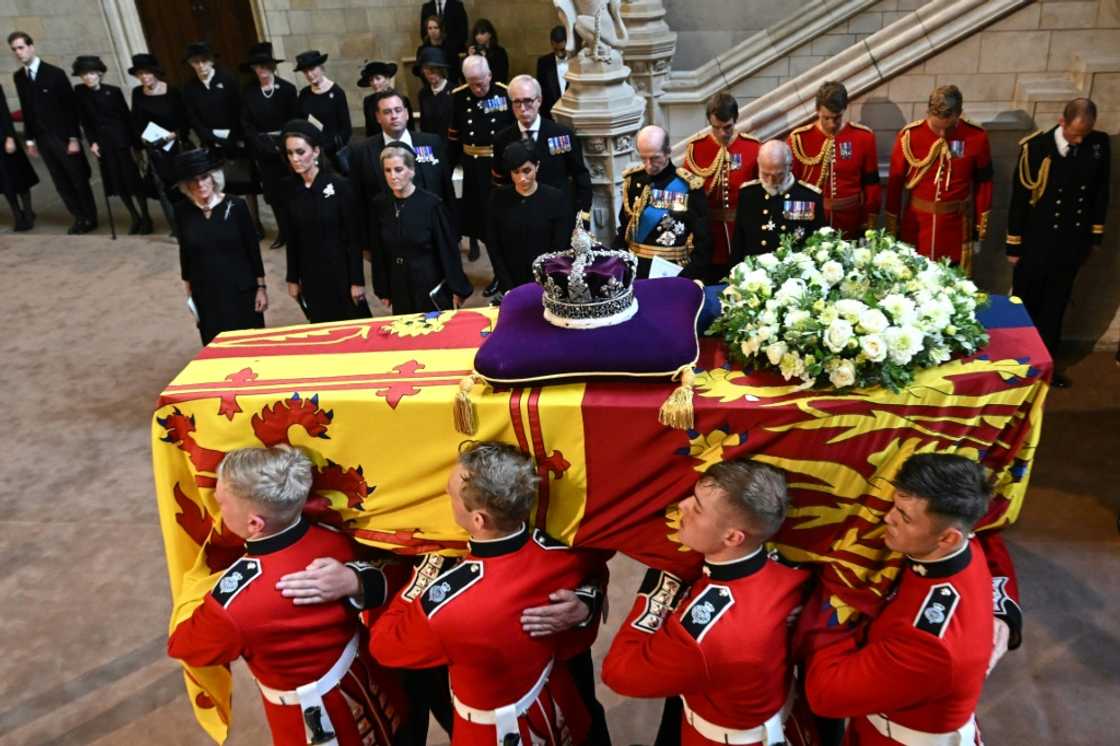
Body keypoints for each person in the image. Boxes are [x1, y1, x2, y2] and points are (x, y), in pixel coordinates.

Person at [167, 445, 405, 746]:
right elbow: (395, 572)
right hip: (378, 690)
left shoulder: (235, 604)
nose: (217, 506)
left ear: (255, 524)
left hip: (311, 724)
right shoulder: (336, 537)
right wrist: (357, 581)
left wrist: (199, 583)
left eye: (222, 503)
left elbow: (185, 645)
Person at [371, 441, 606, 746]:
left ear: (479, 520)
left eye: (452, 494)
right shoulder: (562, 557)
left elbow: (384, 646)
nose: (446, 495)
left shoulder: (447, 606)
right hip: (554, 709)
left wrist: (423, 574)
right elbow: (594, 569)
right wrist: (586, 603)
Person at [603, 459, 809, 745]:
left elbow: (619, 673)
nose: (683, 505)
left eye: (697, 508)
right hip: (785, 721)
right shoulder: (792, 571)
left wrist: (666, 575)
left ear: (733, 537)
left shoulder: (703, 634)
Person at [804, 453, 996, 745]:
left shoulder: (929, 645)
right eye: (894, 506)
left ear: (948, 539)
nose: (887, 518)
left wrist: (836, 599)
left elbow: (824, 695)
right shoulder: (962, 551)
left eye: (905, 517)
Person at [1005, 97, 1110, 389]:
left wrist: (1095, 237)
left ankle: (1046, 367)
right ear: (1062, 121)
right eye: (1076, 133)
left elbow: (1100, 193)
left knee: (1056, 306)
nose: (1080, 140)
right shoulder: (1036, 148)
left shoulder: (1098, 145)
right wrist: (1014, 245)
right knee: (1026, 304)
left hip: (1071, 244)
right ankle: (1017, 364)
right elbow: (1019, 201)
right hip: (1036, 243)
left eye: (1085, 133)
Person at [885, 84, 992, 274]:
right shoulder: (909, 136)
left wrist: (978, 230)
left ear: (959, 114)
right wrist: (893, 228)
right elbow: (895, 186)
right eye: (937, 127)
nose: (942, 135)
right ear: (928, 113)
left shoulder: (977, 136)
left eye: (948, 128)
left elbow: (984, 184)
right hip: (916, 227)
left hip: (955, 230)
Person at [173, 148, 266, 345]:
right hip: (206, 294)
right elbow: (185, 254)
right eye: (193, 180)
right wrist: (190, 296)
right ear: (186, 185)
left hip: (241, 291)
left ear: (213, 178)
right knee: (217, 349)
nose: (200, 185)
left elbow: (252, 250)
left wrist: (261, 288)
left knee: (252, 346)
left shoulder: (236, 206)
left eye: (204, 177)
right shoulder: (182, 212)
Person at [281, 118, 370, 324]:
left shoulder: (340, 186)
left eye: (300, 152)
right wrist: (292, 278)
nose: (295, 159)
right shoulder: (288, 190)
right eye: (290, 153)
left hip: (341, 272)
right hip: (310, 273)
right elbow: (292, 238)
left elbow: (353, 239)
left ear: (315, 151)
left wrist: (357, 281)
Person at [9, 31, 98, 234]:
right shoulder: (19, 77)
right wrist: (29, 140)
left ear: (31, 47)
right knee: (60, 181)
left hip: (63, 136)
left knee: (77, 178)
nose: (18, 52)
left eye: (21, 47)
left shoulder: (54, 73)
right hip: (42, 138)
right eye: (14, 50)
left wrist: (74, 138)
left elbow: (70, 108)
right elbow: (26, 108)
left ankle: (90, 218)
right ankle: (78, 217)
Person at [369, 145, 472, 314]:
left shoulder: (432, 205)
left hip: (428, 283)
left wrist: (457, 288)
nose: (393, 176)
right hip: (399, 285)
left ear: (411, 171)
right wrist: (383, 288)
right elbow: (379, 250)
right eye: (388, 170)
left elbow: (448, 250)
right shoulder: (380, 205)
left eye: (398, 169)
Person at [492, 74, 591, 227]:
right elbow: (501, 183)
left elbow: (580, 176)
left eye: (528, 101)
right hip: (520, 217)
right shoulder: (502, 139)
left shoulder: (561, 134)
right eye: (517, 102)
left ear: (539, 100)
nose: (523, 108)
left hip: (557, 215)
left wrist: (582, 216)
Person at [181, 41, 261, 229]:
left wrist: (235, 137)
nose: (201, 66)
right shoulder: (189, 88)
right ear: (191, 64)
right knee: (219, 185)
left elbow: (240, 110)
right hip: (210, 144)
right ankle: (231, 222)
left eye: (204, 61)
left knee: (246, 184)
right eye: (195, 62)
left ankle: (254, 223)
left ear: (211, 61)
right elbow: (193, 118)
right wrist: (210, 137)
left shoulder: (228, 79)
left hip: (235, 141)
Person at [683, 92, 761, 284]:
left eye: (727, 127)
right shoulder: (696, 149)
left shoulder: (752, 148)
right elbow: (687, 193)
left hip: (741, 232)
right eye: (716, 127)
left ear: (736, 119)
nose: (722, 134)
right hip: (709, 234)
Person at [616, 125, 711, 280]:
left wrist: (686, 278)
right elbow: (624, 229)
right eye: (643, 158)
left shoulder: (688, 185)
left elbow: (703, 241)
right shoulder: (633, 181)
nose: (648, 165)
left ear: (668, 152)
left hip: (672, 271)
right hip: (636, 269)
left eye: (655, 158)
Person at [788, 81, 880, 239]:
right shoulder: (799, 139)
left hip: (850, 218)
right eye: (826, 118)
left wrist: (868, 221)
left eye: (837, 118)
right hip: (810, 218)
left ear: (845, 109)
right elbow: (791, 187)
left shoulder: (863, 137)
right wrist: (795, 224)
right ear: (817, 110)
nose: (831, 124)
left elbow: (871, 184)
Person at [72, 55, 153, 235]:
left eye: (91, 73)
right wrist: (92, 142)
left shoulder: (113, 91)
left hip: (122, 143)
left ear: (99, 74)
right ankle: (135, 217)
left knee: (132, 181)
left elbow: (127, 118)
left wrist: (137, 147)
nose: (88, 77)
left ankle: (146, 217)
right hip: (103, 145)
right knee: (117, 183)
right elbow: (85, 121)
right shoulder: (80, 92)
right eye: (84, 74)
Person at [352, 89, 455, 226]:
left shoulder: (431, 142)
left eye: (398, 110)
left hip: (432, 225)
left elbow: (446, 190)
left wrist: (453, 229)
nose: (394, 116)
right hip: (387, 229)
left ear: (406, 113)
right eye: (387, 112)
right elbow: (359, 201)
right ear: (378, 117)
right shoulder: (362, 151)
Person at [448, 55, 514, 261]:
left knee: (501, 214)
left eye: (481, 83)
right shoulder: (459, 96)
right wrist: (450, 166)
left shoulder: (504, 93)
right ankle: (480, 247)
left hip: (499, 163)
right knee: (478, 215)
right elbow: (454, 135)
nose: (477, 88)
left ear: (490, 76)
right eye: (472, 84)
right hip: (473, 165)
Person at [487, 142, 573, 295]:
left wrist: (548, 283)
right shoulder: (498, 198)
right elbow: (494, 245)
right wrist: (506, 285)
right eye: (516, 172)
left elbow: (560, 247)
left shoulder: (555, 198)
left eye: (527, 171)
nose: (522, 178)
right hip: (512, 281)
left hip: (549, 282)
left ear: (537, 166)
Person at [240, 42, 300, 250]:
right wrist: (262, 145)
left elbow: (294, 120)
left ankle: (298, 231)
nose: (262, 70)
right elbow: (246, 124)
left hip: (287, 149)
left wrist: (283, 144)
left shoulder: (287, 89)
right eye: (257, 66)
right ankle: (283, 232)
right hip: (263, 150)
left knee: (292, 191)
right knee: (273, 195)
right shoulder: (248, 92)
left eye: (265, 65)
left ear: (272, 66)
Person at [730, 140, 824, 264]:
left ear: (790, 165)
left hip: (793, 269)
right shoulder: (748, 194)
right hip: (755, 270)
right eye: (765, 174)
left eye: (778, 175)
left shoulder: (808, 196)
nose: (771, 181)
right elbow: (739, 241)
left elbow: (818, 243)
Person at [129, 53, 191, 235]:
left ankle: (190, 220)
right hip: (153, 147)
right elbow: (136, 120)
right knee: (162, 187)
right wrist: (141, 139)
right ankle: (176, 225)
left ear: (155, 72)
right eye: (140, 74)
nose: (144, 77)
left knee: (182, 184)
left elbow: (185, 120)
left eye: (147, 73)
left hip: (174, 144)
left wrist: (173, 135)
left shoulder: (172, 91)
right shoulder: (137, 93)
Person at [295, 50, 352, 174]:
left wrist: (327, 148)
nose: (309, 74)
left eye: (312, 69)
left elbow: (346, 129)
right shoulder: (304, 94)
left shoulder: (337, 92)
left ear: (321, 67)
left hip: (333, 155)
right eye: (305, 72)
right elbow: (300, 123)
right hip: (311, 155)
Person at [0, 82, 38, 231]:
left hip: (4, 139)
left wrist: (10, 137)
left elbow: (3, 112)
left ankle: (28, 213)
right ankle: (17, 215)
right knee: (4, 182)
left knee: (20, 177)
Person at [359, 61, 414, 138]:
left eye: (378, 78)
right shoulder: (368, 101)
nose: (374, 83)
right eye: (371, 80)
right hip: (377, 141)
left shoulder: (402, 99)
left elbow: (410, 127)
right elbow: (369, 129)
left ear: (387, 79)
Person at [416, 47, 454, 141]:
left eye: (433, 70)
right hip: (432, 142)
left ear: (441, 70)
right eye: (427, 70)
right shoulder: (423, 93)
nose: (430, 74)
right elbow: (424, 124)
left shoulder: (454, 91)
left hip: (452, 143)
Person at [420, 0, 469, 67]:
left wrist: (451, 48)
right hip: (432, 55)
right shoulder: (426, 7)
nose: (433, 30)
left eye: (435, 28)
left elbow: (463, 32)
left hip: (453, 54)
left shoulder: (457, 6)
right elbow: (423, 32)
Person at [415, 14, 461, 86]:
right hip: (430, 85)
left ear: (441, 29)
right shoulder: (422, 49)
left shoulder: (450, 47)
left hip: (450, 84)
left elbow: (456, 69)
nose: (433, 31)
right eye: (430, 28)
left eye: (436, 28)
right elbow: (419, 71)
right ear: (427, 30)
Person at [536, 25, 569, 120]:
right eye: (556, 50)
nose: (559, 54)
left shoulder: (577, 62)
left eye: (562, 50)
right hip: (551, 116)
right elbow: (541, 92)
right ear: (551, 44)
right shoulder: (543, 63)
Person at [467, 19, 509, 85]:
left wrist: (485, 59)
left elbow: (501, 75)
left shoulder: (499, 52)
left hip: (495, 86)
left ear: (490, 34)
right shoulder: (474, 51)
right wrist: (470, 59)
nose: (478, 37)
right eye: (476, 34)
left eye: (482, 33)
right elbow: (467, 77)